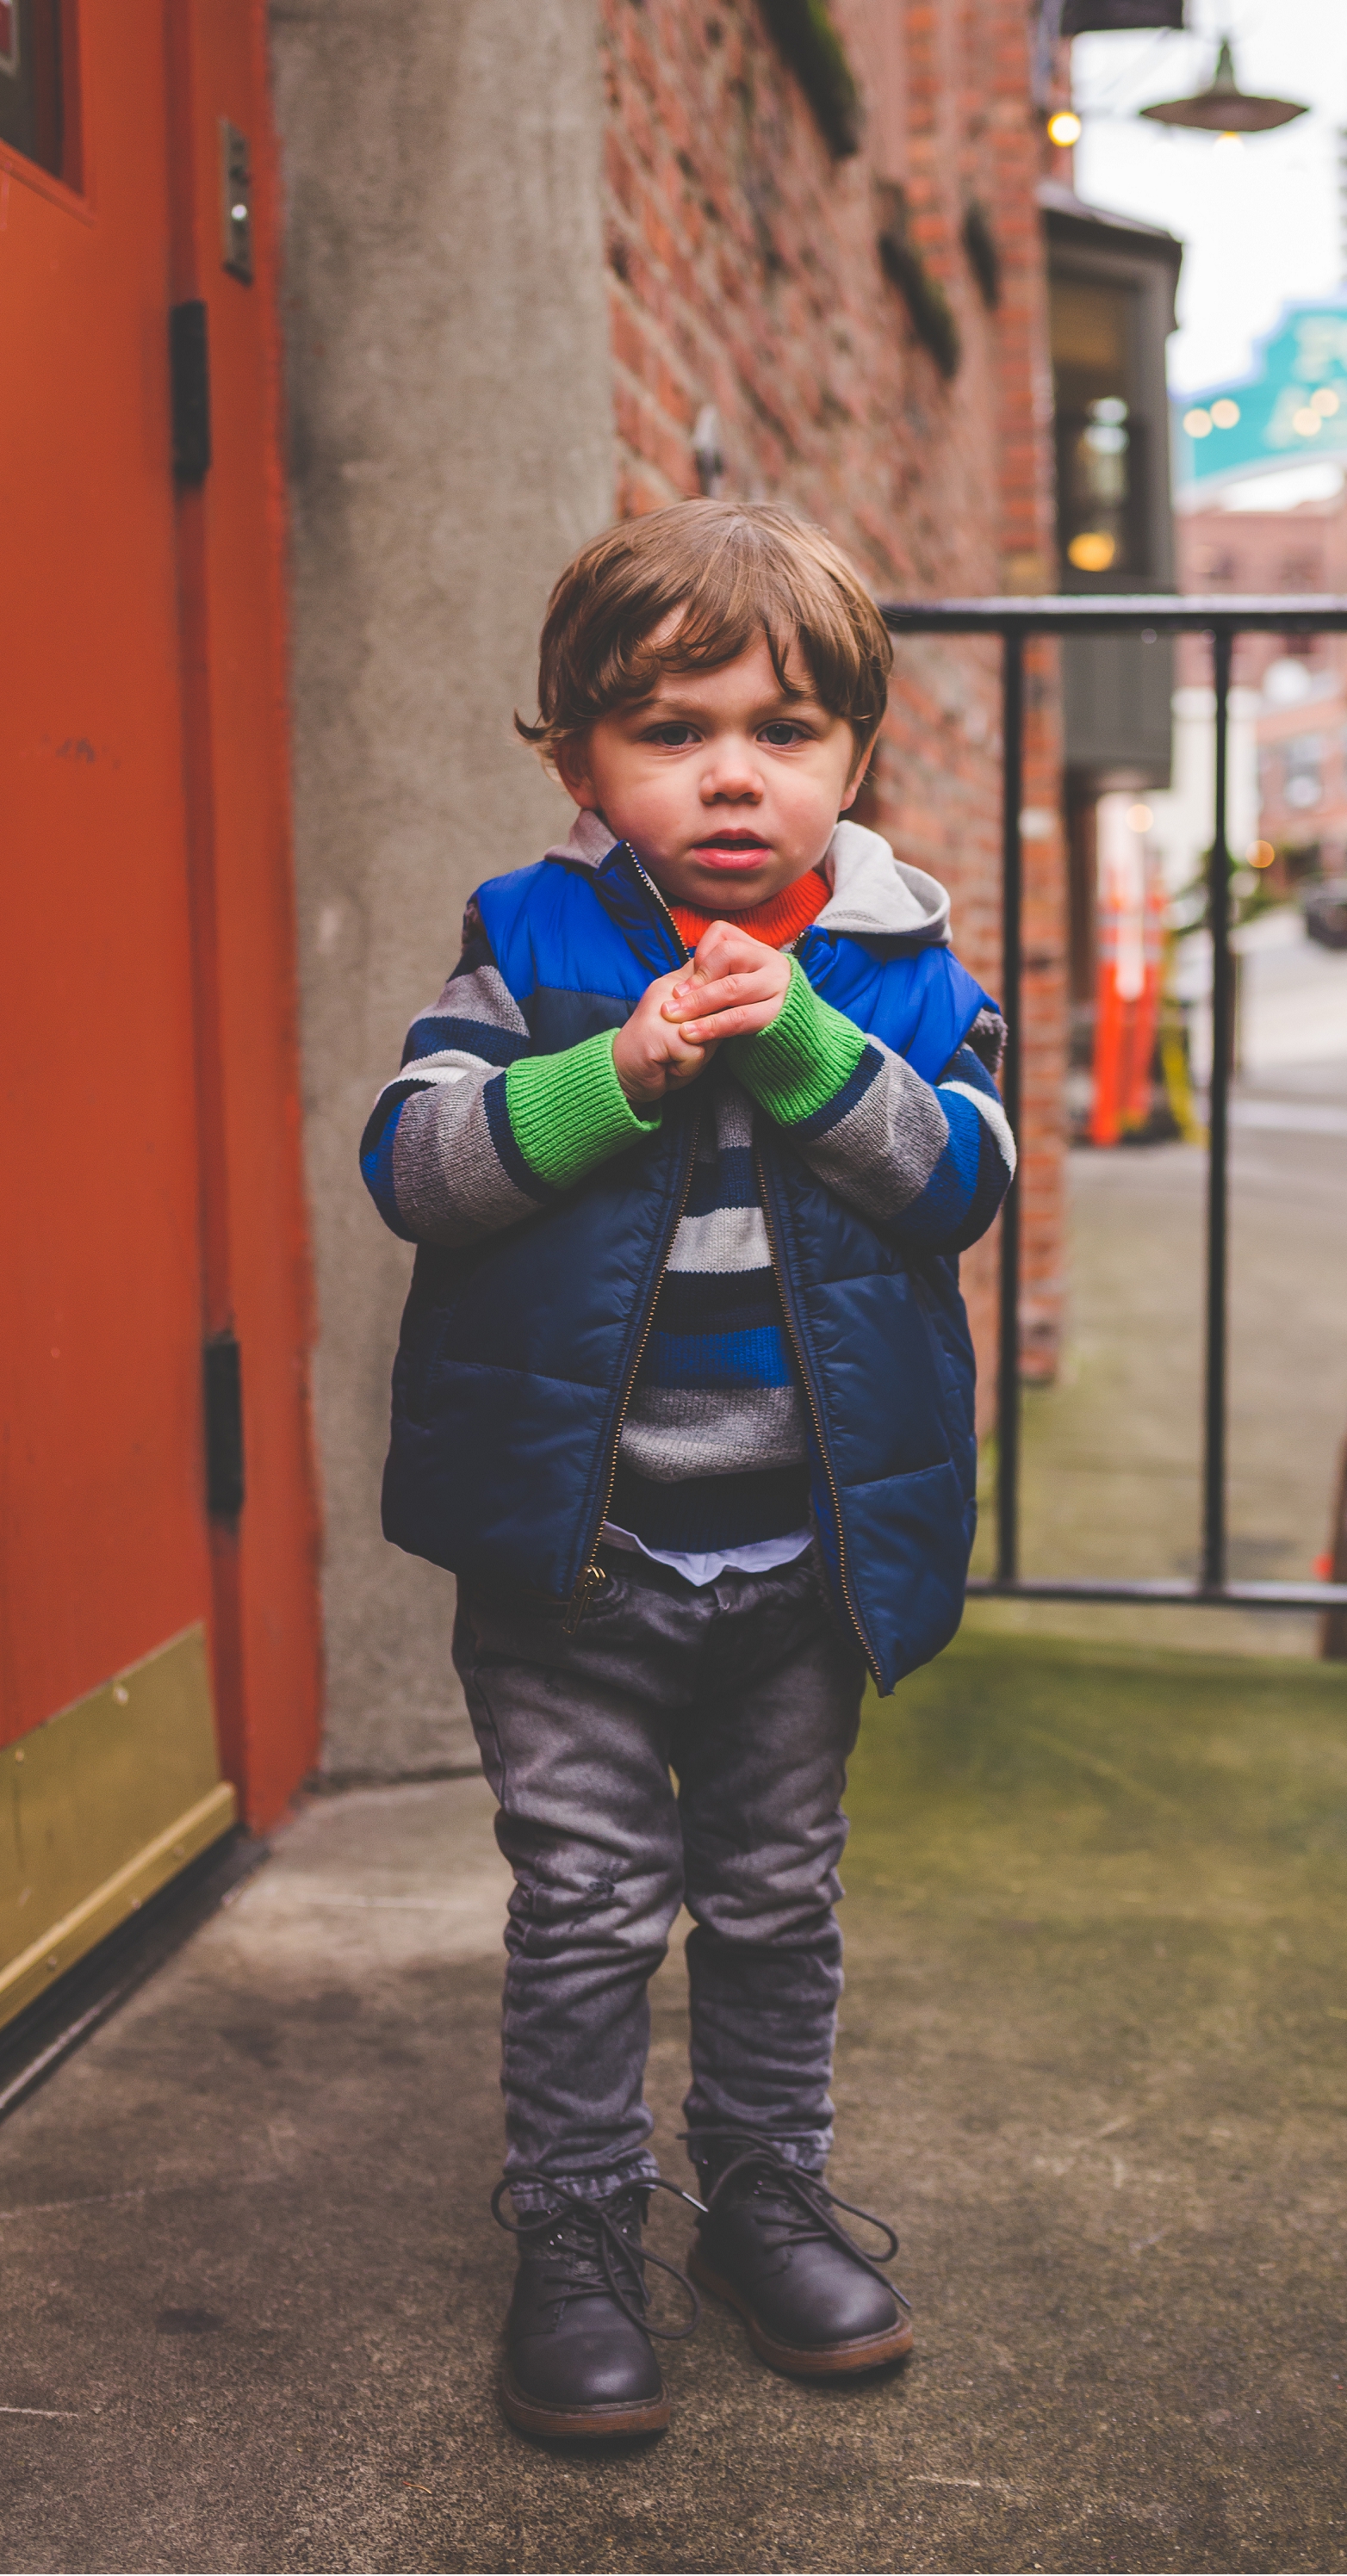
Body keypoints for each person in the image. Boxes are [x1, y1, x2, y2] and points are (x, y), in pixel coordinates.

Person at [359, 503, 1013, 2445]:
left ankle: (759, 2194)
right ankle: (573, 2231)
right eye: (668, 729)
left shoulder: (899, 958)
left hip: (801, 1555)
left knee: (772, 1894)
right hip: (579, 1554)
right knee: (581, 1901)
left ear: (854, 758)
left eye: (785, 729)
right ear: (578, 762)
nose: (732, 770)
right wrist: (614, 1070)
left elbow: (963, 1183)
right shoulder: (531, 937)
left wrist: (810, 1055)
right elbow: (414, 1168)